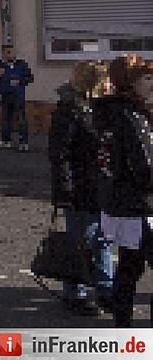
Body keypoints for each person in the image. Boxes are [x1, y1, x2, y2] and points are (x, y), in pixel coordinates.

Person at [48, 61, 113, 316]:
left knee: (103, 239)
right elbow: (59, 154)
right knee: (80, 241)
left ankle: (106, 290)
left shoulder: (100, 109)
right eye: (106, 80)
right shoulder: (70, 110)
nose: (110, 85)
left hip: (101, 187)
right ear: (93, 82)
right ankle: (74, 293)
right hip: (79, 188)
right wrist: (64, 190)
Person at [94, 55, 153, 327]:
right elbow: (144, 169)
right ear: (131, 82)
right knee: (130, 268)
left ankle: (122, 329)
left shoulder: (109, 111)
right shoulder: (130, 117)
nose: (151, 84)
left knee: (129, 268)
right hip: (137, 206)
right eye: (147, 78)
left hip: (121, 203)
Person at [0, 44, 35, 152]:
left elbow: (30, 78)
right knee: (6, 118)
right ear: (4, 54)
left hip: (18, 94)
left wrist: (20, 81)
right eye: (8, 52)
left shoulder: (21, 64)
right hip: (6, 94)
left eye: (12, 52)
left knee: (21, 118)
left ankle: (23, 142)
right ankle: (6, 140)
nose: (11, 54)